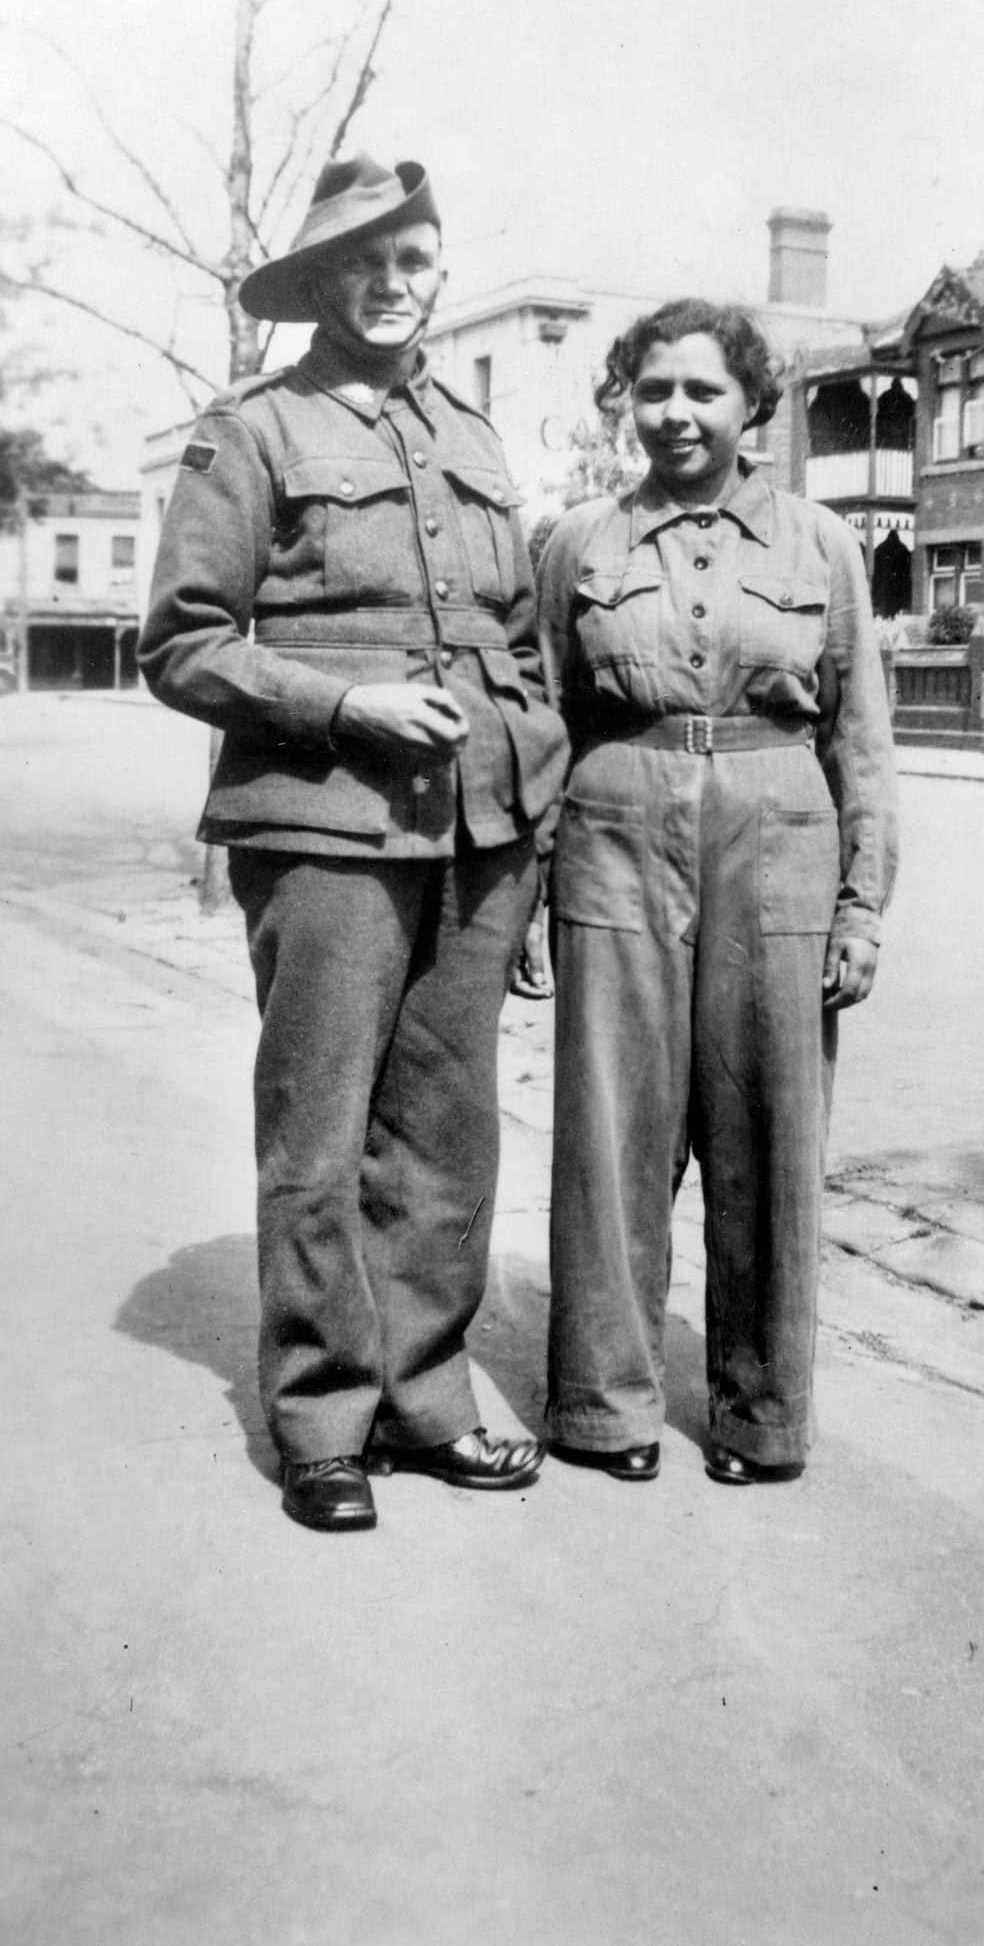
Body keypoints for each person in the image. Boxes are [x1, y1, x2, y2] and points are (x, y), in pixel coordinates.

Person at [139, 154, 569, 1531]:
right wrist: (342, 703)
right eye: (363, 262)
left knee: (445, 1135)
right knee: (319, 1130)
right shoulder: (252, 430)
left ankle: (427, 1392)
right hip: (324, 823)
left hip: (480, 833)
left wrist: (536, 840)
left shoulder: (474, 435)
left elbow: (514, 640)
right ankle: (323, 1416)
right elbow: (184, 641)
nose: (391, 284)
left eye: (414, 257)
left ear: (439, 267)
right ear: (321, 280)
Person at [537, 299, 897, 1485]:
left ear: (753, 406)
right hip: (615, 830)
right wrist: (530, 884)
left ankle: (758, 1414)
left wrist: (859, 902)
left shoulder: (821, 544)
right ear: (623, 403)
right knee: (612, 1128)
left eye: (702, 391)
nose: (675, 412)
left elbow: (860, 739)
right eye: (652, 390)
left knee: (767, 1132)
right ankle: (605, 1407)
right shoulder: (579, 541)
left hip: (775, 832)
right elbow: (544, 720)